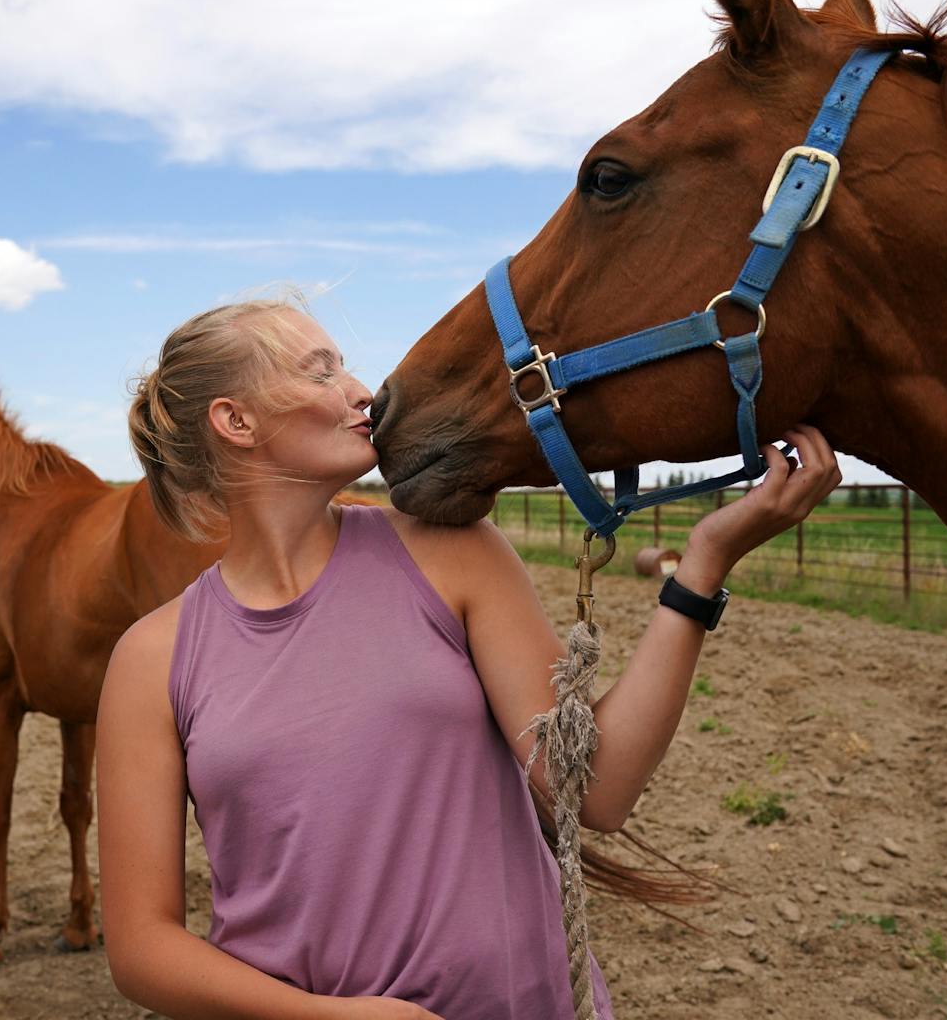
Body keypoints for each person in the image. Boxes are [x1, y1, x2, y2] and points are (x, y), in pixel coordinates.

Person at [97, 300, 840, 1019]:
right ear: (235, 421)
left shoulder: (452, 554)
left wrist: (702, 566)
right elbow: (142, 950)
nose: (362, 390)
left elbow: (597, 792)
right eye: (321, 372)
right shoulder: (152, 660)